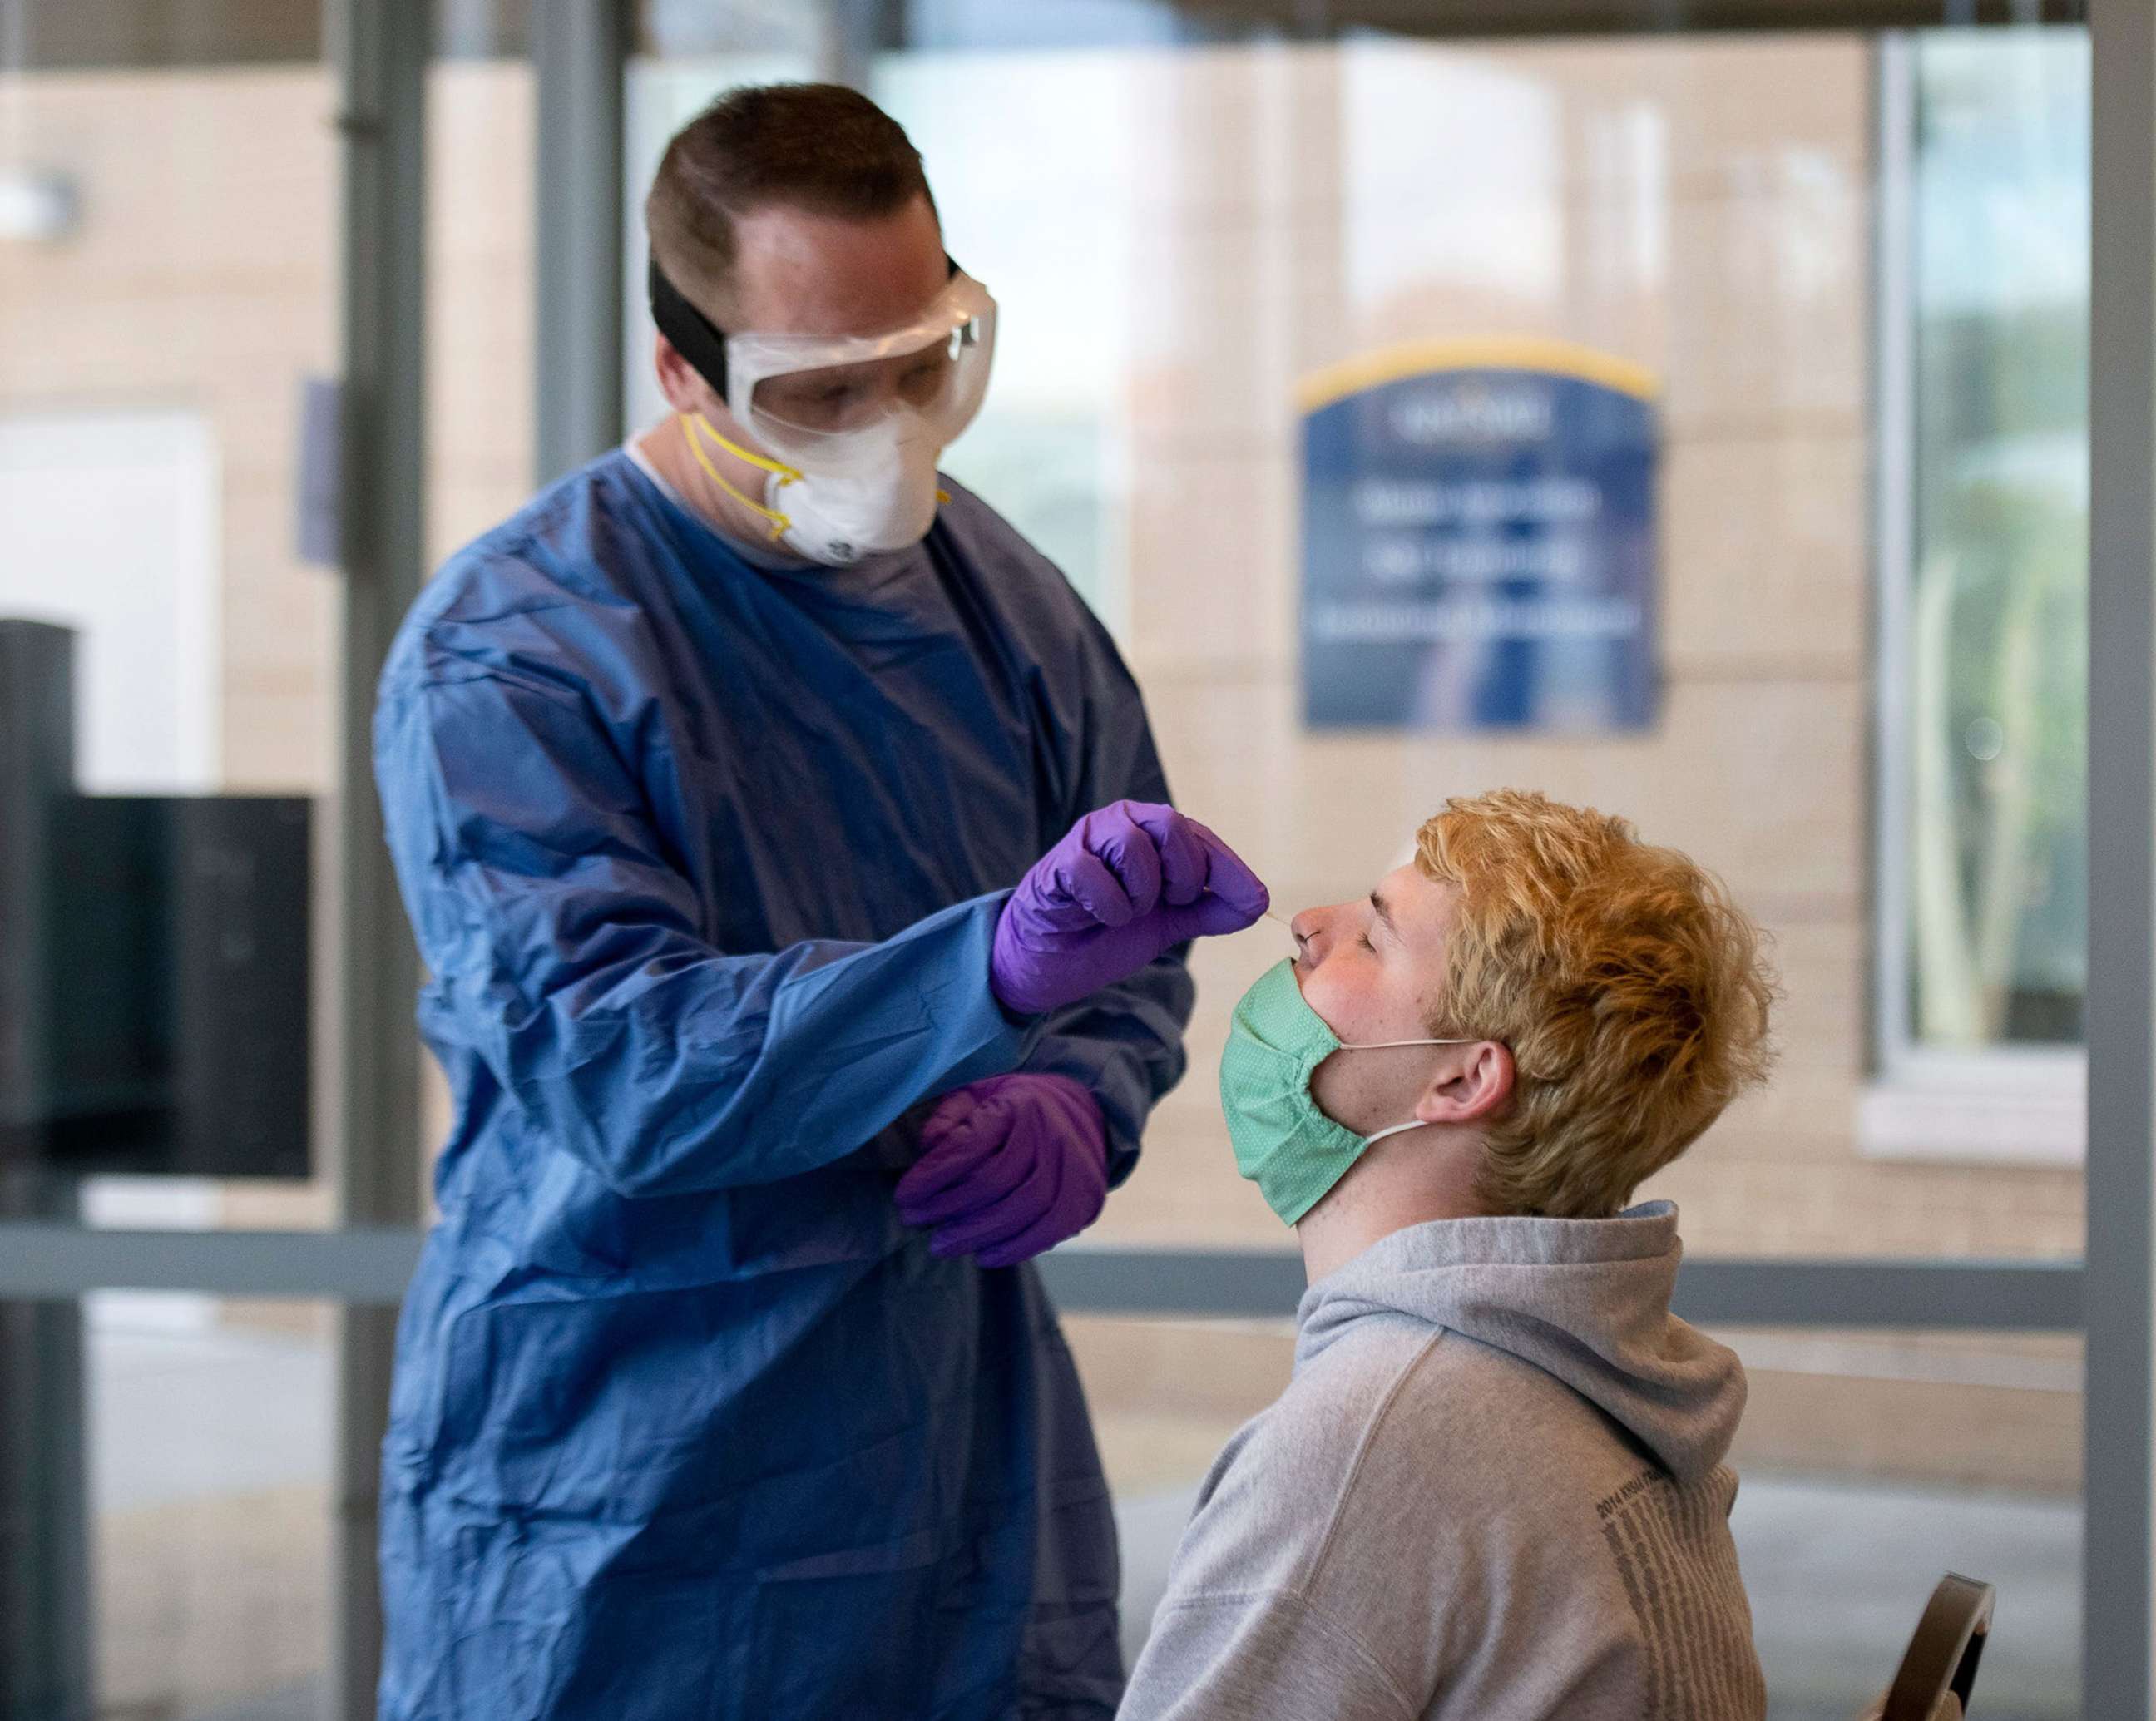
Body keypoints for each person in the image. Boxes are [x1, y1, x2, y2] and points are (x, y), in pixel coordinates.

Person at [370, 82, 1265, 1719]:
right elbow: (613, 1056)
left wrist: (1079, 1085)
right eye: (821, 388)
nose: (890, 425)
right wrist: (979, 973)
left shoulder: (1012, 608)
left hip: (953, 1475)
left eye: (927, 363)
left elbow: (1120, 958)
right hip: (617, 1485)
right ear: (682, 370)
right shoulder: (518, 645)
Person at [1119, 789, 1778, 1721]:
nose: (1308, 925)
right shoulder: (1599, 1392)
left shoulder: (1371, 1445)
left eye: (1374, 936)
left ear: (1463, 1077)